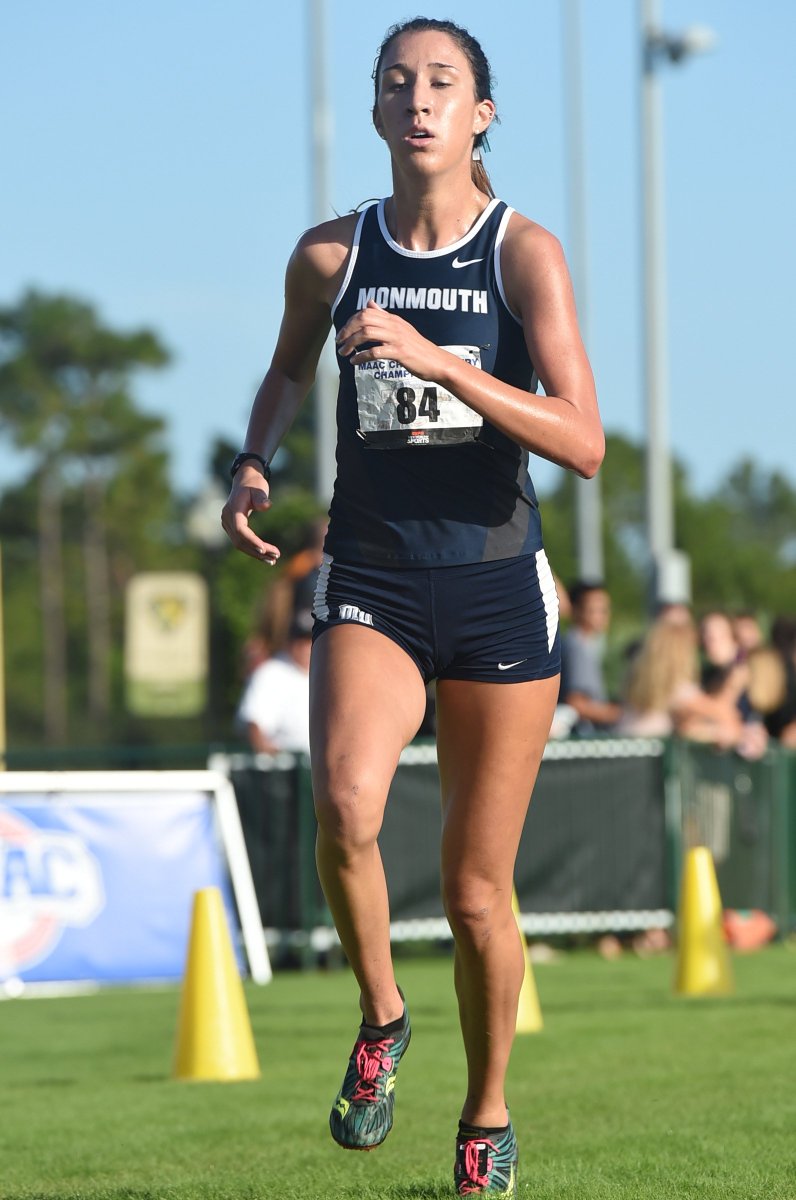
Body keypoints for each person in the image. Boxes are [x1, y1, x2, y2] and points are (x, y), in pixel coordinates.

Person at [222, 17, 603, 1196]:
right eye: (398, 84)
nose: (420, 100)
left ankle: (485, 1114)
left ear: (481, 114)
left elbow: (582, 442)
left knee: (480, 893)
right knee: (344, 806)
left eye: (444, 83)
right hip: (374, 575)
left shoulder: (522, 253)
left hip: (495, 587)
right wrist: (254, 461)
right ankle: (382, 1020)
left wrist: (445, 363)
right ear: (379, 115)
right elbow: (290, 367)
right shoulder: (332, 257)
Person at [236, 610, 312, 754]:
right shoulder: (270, 673)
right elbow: (254, 722)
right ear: (289, 642)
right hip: (288, 765)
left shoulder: (330, 669)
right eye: (301, 641)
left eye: (310, 640)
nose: (306, 648)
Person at [559, 580, 622, 734]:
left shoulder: (578, 645)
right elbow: (577, 704)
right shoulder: (577, 647)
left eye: (605, 609)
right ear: (576, 610)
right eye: (594, 610)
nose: (602, 616)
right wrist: (620, 715)